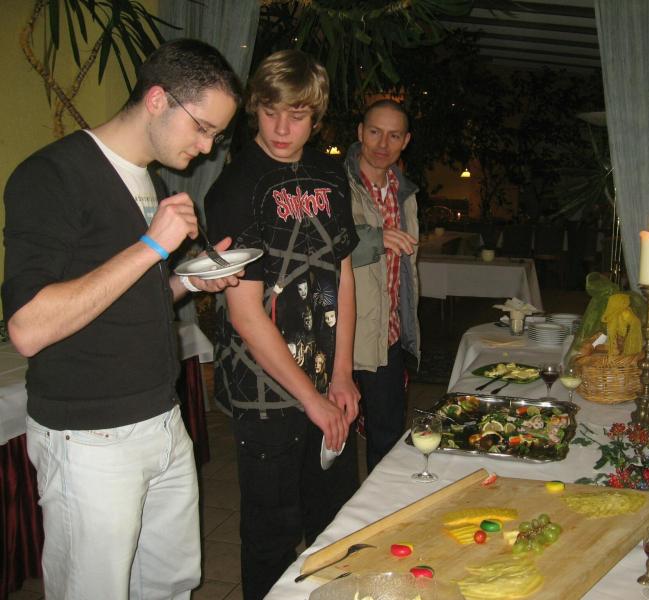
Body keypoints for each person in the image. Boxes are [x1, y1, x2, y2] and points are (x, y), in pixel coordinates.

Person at [1, 39, 243, 599]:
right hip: (89, 438)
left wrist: (188, 281)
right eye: (202, 128)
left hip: (161, 421)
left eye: (216, 135)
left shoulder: (149, 181)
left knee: (170, 585)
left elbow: (129, 297)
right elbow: (28, 328)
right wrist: (152, 246)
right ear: (157, 99)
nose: (207, 148)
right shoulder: (51, 175)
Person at [204, 49, 360, 599]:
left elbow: (343, 275)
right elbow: (245, 313)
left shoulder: (329, 174)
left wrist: (341, 374)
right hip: (264, 391)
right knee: (271, 537)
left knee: (336, 523)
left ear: (316, 116)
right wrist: (309, 398)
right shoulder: (235, 187)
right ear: (255, 108)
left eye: (297, 115)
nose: (281, 129)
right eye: (270, 112)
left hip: (325, 379)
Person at [346, 99, 421, 472]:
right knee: (335, 441)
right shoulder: (333, 184)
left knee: (387, 438)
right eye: (375, 132)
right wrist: (376, 238)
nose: (382, 144)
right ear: (361, 132)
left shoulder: (405, 193)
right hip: (340, 336)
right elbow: (320, 246)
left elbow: (405, 273)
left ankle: (380, 506)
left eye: (394, 135)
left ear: (405, 141)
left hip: (386, 335)